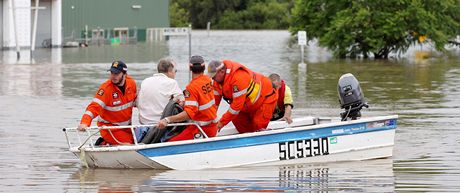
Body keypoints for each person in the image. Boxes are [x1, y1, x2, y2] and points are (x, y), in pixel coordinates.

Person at [157, 55, 218, 141]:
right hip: (213, 126)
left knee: (169, 142)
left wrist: (167, 120)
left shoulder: (191, 87)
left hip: (201, 129)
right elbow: (202, 101)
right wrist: (186, 103)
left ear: (190, 68)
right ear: (204, 68)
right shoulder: (208, 80)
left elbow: (189, 113)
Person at [207, 60, 278, 133]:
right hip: (247, 105)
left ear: (221, 71)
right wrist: (207, 123)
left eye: (214, 76)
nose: (212, 79)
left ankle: (261, 138)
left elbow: (236, 107)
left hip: (266, 97)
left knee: (258, 125)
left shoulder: (239, 78)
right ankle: (248, 140)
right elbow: (214, 105)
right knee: (237, 120)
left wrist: (220, 124)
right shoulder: (217, 82)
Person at [77, 61, 137, 145]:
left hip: (126, 127)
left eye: (116, 73)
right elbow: (94, 107)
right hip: (109, 128)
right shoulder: (105, 89)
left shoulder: (131, 84)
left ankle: (105, 142)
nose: (113, 76)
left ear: (124, 74)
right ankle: (104, 142)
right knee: (129, 144)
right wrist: (84, 123)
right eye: (112, 73)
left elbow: (136, 101)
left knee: (140, 140)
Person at [137, 58, 184, 125]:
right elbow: (182, 102)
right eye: (175, 71)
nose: (175, 73)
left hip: (144, 123)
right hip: (161, 124)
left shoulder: (146, 81)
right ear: (170, 71)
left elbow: (138, 102)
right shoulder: (172, 83)